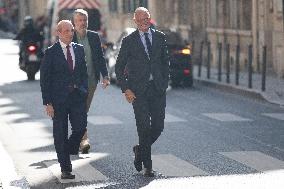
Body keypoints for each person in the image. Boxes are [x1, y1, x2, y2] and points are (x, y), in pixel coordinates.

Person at [115, 7, 170, 177]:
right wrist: (126, 89)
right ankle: (148, 166)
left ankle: (140, 150)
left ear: (149, 18)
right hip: (138, 92)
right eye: (140, 20)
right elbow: (118, 67)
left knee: (158, 127)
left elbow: (165, 62)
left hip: (157, 89)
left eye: (146, 18)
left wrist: (164, 81)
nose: (143, 22)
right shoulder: (128, 41)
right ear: (135, 21)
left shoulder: (160, 37)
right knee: (144, 127)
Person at [40, 20, 88, 179]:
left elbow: (83, 73)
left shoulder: (79, 49)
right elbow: (45, 79)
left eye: (72, 30)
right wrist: (47, 102)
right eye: (66, 31)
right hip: (58, 100)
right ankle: (65, 168)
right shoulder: (51, 52)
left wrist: (84, 90)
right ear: (58, 33)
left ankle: (65, 150)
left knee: (80, 128)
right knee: (60, 133)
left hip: (77, 97)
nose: (70, 33)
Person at [72, 9, 110, 154]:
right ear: (74, 22)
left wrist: (105, 76)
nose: (83, 23)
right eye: (80, 20)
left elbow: (100, 58)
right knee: (80, 110)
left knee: (83, 109)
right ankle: (83, 140)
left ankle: (79, 138)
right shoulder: (70, 36)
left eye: (84, 20)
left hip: (91, 81)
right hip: (74, 82)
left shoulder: (94, 36)